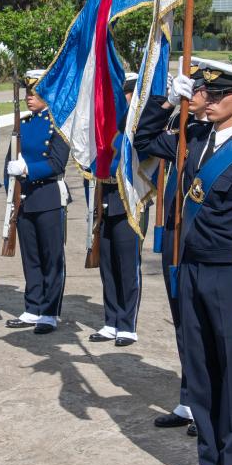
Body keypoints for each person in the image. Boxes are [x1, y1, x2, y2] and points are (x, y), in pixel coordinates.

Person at [135, 60, 232, 465]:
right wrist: (166, 101)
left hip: (226, 276)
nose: (209, 101)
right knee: (199, 371)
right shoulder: (192, 137)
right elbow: (141, 139)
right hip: (191, 270)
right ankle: (210, 463)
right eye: (205, 93)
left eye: (219, 95)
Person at [153, 70, 209, 437]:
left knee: (201, 326)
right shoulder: (185, 131)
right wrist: (170, 102)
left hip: (201, 240)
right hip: (175, 235)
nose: (202, 94)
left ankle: (204, 403)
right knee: (182, 323)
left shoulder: (223, 138)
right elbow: (143, 137)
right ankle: (189, 399)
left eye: (203, 89)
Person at [4, 70, 71, 334]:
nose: (29, 98)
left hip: (48, 195)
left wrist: (27, 169)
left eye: (35, 93)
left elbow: (56, 163)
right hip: (25, 196)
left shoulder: (59, 125)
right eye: (27, 93)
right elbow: (11, 160)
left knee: (51, 257)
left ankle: (49, 311)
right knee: (30, 257)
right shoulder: (24, 124)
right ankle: (32, 307)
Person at [88, 73, 145, 346]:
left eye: (130, 93)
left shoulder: (141, 129)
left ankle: (127, 323)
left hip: (130, 203)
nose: (125, 99)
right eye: (124, 94)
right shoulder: (114, 128)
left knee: (127, 265)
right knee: (108, 265)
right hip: (107, 198)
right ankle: (111, 320)